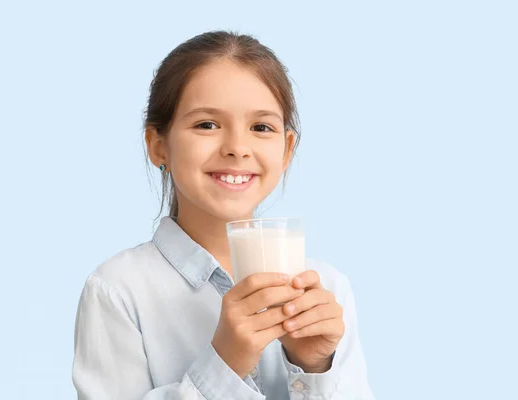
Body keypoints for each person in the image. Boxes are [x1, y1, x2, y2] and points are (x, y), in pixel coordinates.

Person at [72, 30, 374, 400]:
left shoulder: (328, 290)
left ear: (286, 150)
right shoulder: (117, 291)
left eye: (261, 127)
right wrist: (224, 365)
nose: (237, 148)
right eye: (207, 125)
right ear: (158, 145)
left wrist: (314, 371)